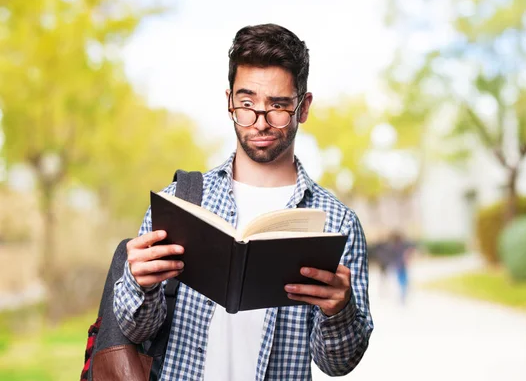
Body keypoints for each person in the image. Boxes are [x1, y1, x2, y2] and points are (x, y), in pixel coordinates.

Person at [113, 23, 373, 380]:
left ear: (304, 107)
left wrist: (339, 310)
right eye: (247, 104)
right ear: (229, 101)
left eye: (278, 106)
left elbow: (339, 364)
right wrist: (138, 283)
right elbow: (136, 330)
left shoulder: (337, 223)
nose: (260, 123)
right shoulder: (181, 201)